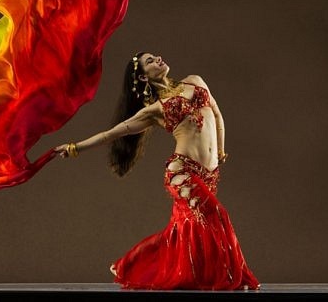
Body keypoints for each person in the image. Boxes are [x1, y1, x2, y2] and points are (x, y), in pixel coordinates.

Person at [54, 52, 260, 290]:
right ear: (143, 77)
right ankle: (232, 279)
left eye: (156, 56)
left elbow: (217, 113)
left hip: (209, 174)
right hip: (182, 172)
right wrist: (75, 148)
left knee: (181, 230)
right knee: (216, 215)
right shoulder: (154, 110)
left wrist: (221, 150)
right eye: (149, 61)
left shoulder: (195, 81)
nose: (158, 59)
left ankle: (129, 265)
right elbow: (111, 134)